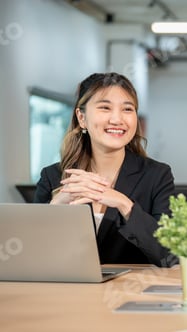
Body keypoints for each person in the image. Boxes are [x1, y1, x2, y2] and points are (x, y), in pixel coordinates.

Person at [33, 72, 178, 267]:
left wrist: (125, 205)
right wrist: (54, 209)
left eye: (128, 109)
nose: (117, 119)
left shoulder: (157, 175)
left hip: (131, 292)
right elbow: (33, 256)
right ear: (81, 118)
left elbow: (168, 255)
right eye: (105, 108)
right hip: (68, 293)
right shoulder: (53, 177)